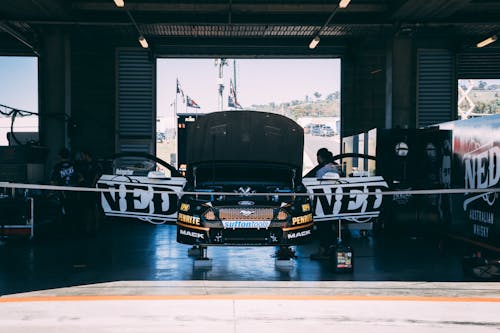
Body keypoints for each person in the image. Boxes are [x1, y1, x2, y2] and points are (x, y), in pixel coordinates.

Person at [50, 147, 79, 235]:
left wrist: (53, 192)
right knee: (74, 212)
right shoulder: (74, 165)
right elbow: (80, 179)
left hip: (63, 193)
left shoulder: (57, 167)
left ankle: (65, 231)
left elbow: (52, 181)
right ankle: (73, 231)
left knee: (63, 212)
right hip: (74, 192)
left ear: (60, 156)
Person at [75, 149, 102, 234]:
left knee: (93, 208)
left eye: (82, 155)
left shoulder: (95, 164)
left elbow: (97, 176)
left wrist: (92, 186)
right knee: (88, 209)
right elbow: (80, 177)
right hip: (86, 189)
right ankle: (88, 227)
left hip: (92, 189)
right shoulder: (83, 165)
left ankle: (95, 227)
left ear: (86, 155)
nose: (81, 157)